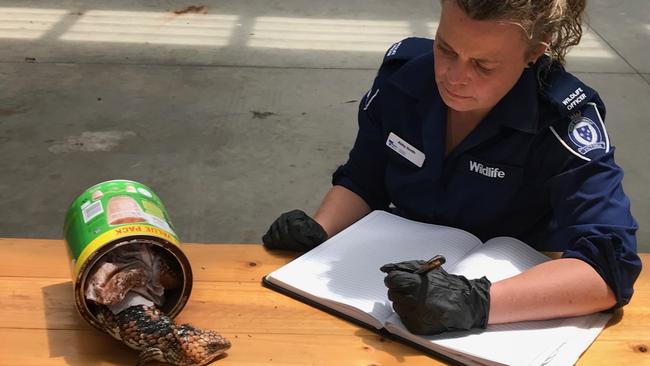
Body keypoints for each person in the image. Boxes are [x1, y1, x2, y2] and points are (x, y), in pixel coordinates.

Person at [262, 0, 642, 335]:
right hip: (384, 282)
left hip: (510, 301)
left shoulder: (563, 121)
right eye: (445, 48)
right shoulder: (403, 77)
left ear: (533, 53)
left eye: (483, 65)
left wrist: (476, 302)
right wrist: (320, 229)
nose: (454, 77)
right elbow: (364, 178)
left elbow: (610, 267)